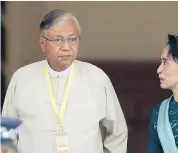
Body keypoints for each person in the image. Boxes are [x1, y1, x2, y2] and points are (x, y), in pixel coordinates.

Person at [1, 10, 128, 153]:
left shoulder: (97, 78)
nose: (66, 47)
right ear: (43, 44)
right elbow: (6, 133)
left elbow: (118, 132)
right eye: (58, 40)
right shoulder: (22, 78)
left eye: (73, 39)